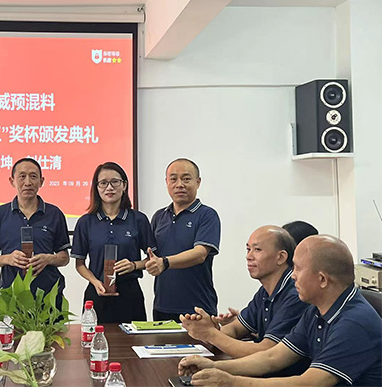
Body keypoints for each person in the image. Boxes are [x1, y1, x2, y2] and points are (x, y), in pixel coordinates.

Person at [179, 235, 382, 386]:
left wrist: (232, 382)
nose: (293, 276)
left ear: (322, 279)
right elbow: (272, 357)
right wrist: (213, 366)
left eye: (298, 269)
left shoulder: (355, 323)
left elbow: (310, 383)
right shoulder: (316, 310)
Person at [182, 226, 309, 374]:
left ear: (280, 257)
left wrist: (211, 334)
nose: (249, 256)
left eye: (257, 250)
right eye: (248, 249)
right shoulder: (265, 291)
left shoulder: (295, 295)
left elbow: (266, 352)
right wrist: (209, 329)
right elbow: (236, 328)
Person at [71, 162, 156, 323]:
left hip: (130, 294)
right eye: (103, 183)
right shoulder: (86, 222)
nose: (109, 188)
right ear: (96, 188)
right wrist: (95, 282)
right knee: (93, 337)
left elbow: (153, 258)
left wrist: (134, 265)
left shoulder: (138, 219)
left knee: (133, 338)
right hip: (97, 293)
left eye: (115, 182)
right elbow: (79, 264)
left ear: (124, 185)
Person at [146, 158, 221, 321]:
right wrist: (132, 265)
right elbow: (153, 258)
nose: (179, 184)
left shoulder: (207, 215)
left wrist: (165, 262)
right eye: (173, 179)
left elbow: (200, 254)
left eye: (186, 179)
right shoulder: (159, 217)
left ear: (198, 182)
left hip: (197, 308)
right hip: (162, 306)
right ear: (166, 182)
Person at [0, 158, 70, 302]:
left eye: (33, 176)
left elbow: (64, 257)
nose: (28, 182)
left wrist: (48, 259)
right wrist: (8, 258)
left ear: (41, 181)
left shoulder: (54, 214)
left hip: (48, 296)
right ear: (12, 181)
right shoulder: (0, 214)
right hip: (11, 296)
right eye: (22, 176)